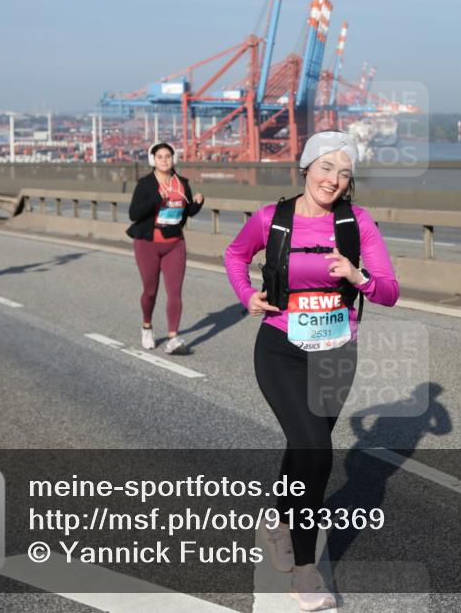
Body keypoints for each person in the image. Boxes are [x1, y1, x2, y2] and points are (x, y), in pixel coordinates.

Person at [224, 130, 399, 611]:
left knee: (304, 447)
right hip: (280, 347)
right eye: (326, 168)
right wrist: (246, 296)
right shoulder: (271, 219)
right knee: (316, 451)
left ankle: (279, 520)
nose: (335, 180)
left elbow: (388, 290)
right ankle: (306, 573)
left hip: (336, 351)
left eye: (345, 173)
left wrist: (357, 276)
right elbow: (235, 255)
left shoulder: (357, 223)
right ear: (306, 169)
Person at [126, 141, 204, 354]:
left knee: (175, 292)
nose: (164, 160)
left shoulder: (182, 183)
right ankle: (147, 326)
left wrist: (197, 204)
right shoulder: (145, 184)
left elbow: (184, 214)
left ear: (173, 159)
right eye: (159, 157)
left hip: (174, 243)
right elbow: (134, 214)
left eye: (167, 156)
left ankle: (173, 337)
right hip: (148, 244)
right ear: (153, 160)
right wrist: (154, 199)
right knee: (150, 291)